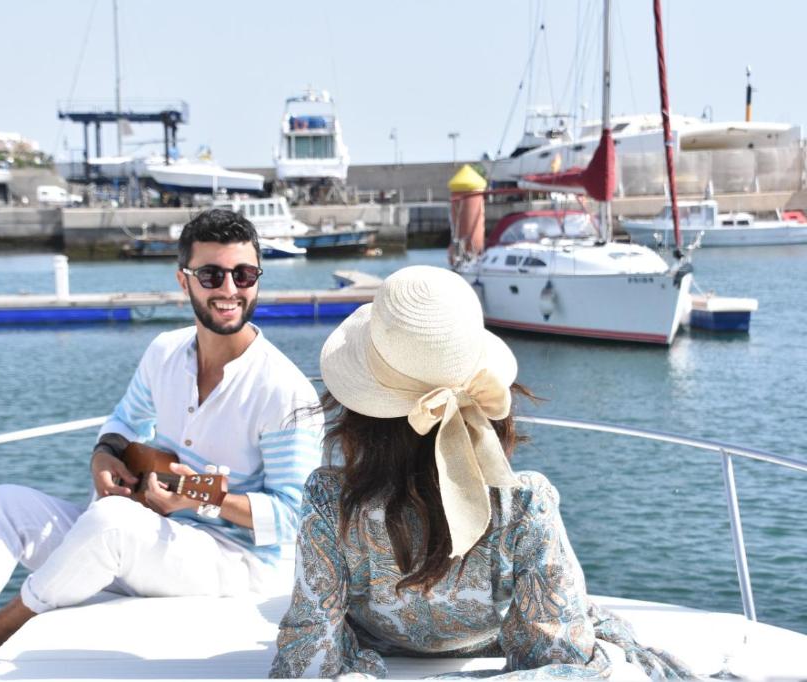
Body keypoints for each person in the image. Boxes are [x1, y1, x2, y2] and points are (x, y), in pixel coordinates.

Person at [0, 209, 323, 682]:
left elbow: (296, 517)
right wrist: (103, 457)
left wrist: (208, 496)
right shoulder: (164, 352)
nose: (229, 289)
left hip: (236, 564)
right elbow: (123, 422)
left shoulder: (282, 390)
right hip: (152, 539)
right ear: (184, 282)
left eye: (243, 274)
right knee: (1, 504)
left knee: (111, 520)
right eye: (211, 274)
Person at [269, 265, 691, 679]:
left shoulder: (330, 500)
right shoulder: (524, 503)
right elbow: (559, 652)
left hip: (376, 647)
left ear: (361, 412)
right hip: (492, 643)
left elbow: (306, 662)